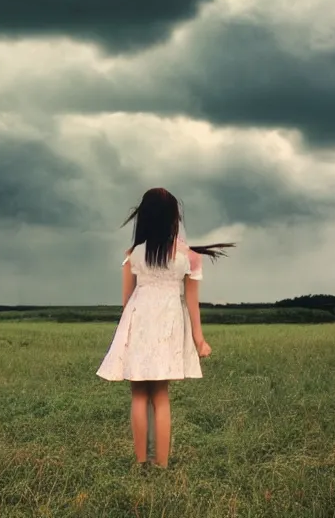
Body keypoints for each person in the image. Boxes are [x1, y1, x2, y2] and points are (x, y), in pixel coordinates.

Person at [96, 187, 234, 469]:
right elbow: (193, 303)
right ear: (173, 218)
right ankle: (162, 464)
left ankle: (140, 462)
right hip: (169, 324)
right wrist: (199, 340)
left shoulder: (133, 254)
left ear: (143, 218)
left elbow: (126, 301)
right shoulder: (189, 256)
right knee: (161, 396)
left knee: (138, 395)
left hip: (139, 321)